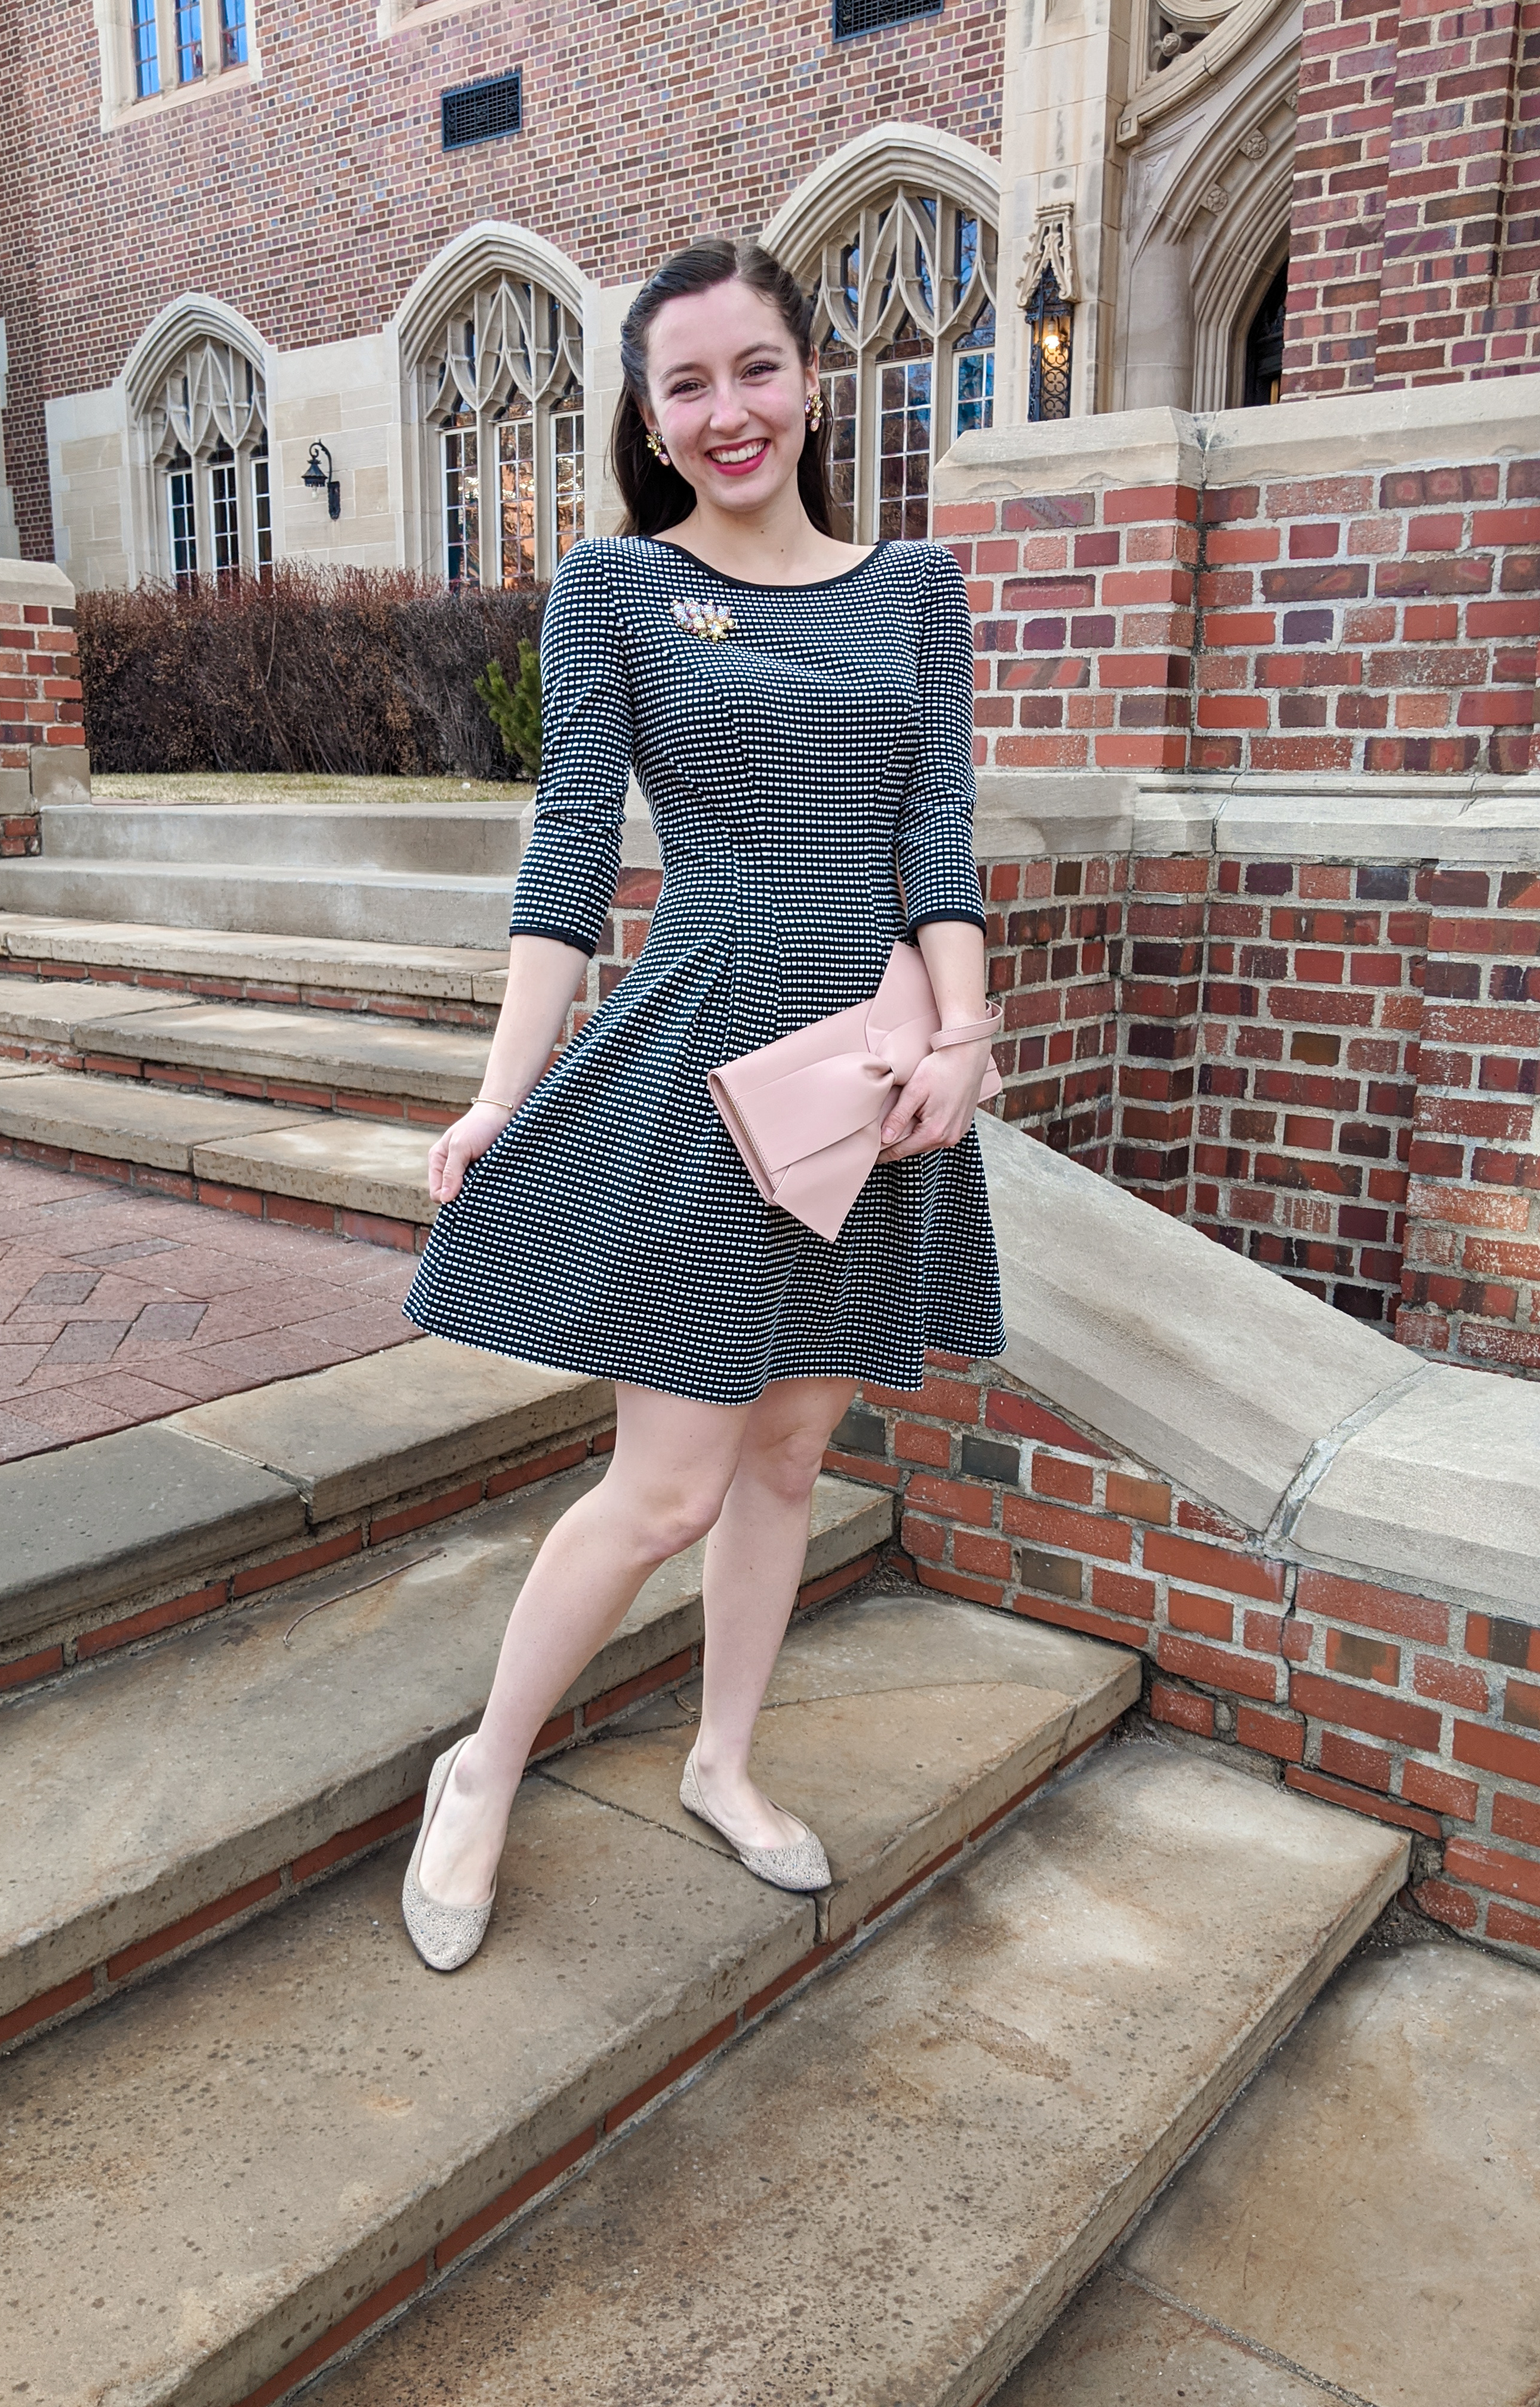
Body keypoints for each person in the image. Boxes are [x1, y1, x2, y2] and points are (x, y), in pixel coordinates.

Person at [397, 236, 1005, 1972]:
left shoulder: (917, 591)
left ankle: (723, 1762)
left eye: (755, 369)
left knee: (796, 1450)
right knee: (664, 1486)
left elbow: (936, 848)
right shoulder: (614, 588)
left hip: (873, 1072)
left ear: (809, 379)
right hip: (697, 1058)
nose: (727, 411)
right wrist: (502, 1090)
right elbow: (569, 860)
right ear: (649, 420)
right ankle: (484, 1771)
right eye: (687, 384)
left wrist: (961, 1041)